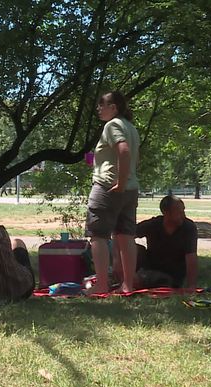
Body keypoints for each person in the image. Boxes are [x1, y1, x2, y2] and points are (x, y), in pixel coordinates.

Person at [85, 91, 140, 294]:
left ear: (114, 107)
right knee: (126, 236)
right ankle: (127, 285)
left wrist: (120, 181)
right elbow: (135, 158)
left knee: (98, 235)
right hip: (131, 190)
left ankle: (101, 285)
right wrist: (127, 181)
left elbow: (123, 151)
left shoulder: (113, 125)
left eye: (102, 105)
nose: (99, 109)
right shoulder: (131, 127)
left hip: (109, 187)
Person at [134, 195, 198, 290]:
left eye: (183, 211)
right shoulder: (153, 224)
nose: (183, 215)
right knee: (133, 247)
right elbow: (127, 235)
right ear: (166, 212)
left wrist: (191, 286)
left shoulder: (188, 227)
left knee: (162, 282)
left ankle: (137, 281)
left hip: (173, 275)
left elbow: (191, 257)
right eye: (179, 212)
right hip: (149, 268)